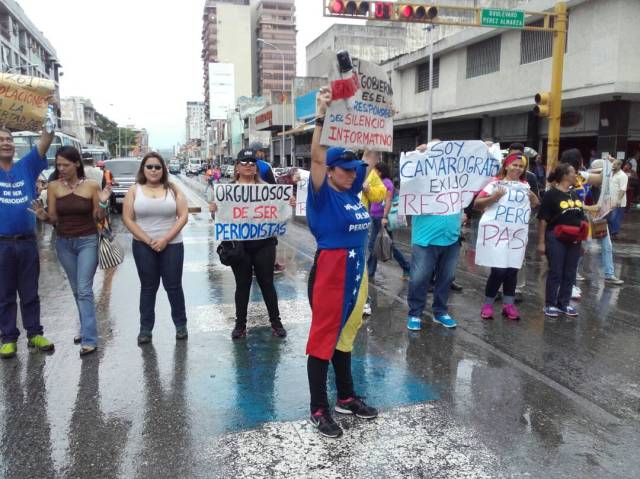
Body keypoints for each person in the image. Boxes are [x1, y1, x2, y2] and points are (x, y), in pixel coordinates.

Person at [304, 87, 378, 438]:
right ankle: (318, 407)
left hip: (356, 270)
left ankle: (345, 397)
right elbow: (317, 159)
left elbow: (371, 156)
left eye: (353, 170)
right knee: (323, 338)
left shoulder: (351, 192)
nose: (352, 174)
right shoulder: (321, 195)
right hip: (332, 271)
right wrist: (321, 117)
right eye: (344, 170)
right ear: (331, 171)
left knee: (346, 335)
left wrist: (378, 118)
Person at [31, 146, 111, 356]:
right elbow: (54, 220)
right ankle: (84, 327)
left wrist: (102, 203)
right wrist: (43, 216)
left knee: (84, 289)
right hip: (64, 243)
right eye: (58, 165)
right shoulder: (54, 187)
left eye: (65, 164)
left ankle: (90, 339)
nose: (61, 168)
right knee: (77, 290)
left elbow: (98, 218)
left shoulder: (92, 186)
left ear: (76, 164)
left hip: (88, 241)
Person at [209, 149, 288, 340]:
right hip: (239, 245)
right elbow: (220, 218)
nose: (248, 166)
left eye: (252, 163)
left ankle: (276, 322)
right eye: (244, 163)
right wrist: (214, 210)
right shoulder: (227, 190)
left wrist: (287, 202)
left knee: (267, 283)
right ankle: (240, 325)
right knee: (242, 285)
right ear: (237, 167)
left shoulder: (267, 189)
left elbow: (279, 214)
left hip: (264, 243)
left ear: (256, 168)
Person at [0, 123, 56, 359]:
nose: (6, 142)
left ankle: (34, 333)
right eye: (1, 139)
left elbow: (46, 139)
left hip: (26, 242)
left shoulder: (27, 165)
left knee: (30, 292)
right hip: (1, 243)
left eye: (9, 139)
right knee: (4, 294)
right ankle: (8, 338)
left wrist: (51, 114)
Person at [122, 152, 189, 344]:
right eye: (149, 166)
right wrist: (149, 240)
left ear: (163, 169)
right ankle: (145, 329)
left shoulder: (173, 189)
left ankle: (181, 325)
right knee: (148, 288)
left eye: (157, 167)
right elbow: (127, 218)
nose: (153, 170)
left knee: (174, 287)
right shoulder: (135, 190)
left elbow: (183, 216)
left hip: (172, 245)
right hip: (143, 245)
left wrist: (166, 239)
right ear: (143, 169)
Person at [474, 152, 539, 320]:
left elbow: (536, 204)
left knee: (512, 270)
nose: (517, 168)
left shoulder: (525, 185)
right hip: (497, 234)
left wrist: (533, 198)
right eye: (514, 165)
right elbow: (477, 204)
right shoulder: (495, 183)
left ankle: (508, 305)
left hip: (516, 235)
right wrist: (494, 197)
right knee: (499, 270)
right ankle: (487, 305)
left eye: (521, 166)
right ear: (506, 165)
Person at [405, 141, 462, 332]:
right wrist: (416, 153)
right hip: (425, 239)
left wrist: (488, 151)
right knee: (419, 278)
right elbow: (408, 176)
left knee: (446, 277)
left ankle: (440, 311)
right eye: (434, 151)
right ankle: (415, 313)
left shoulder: (455, 175)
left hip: (451, 237)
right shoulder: (420, 174)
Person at [537, 163, 587, 317]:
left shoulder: (575, 194)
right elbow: (543, 220)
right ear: (565, 175)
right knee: (556, 271)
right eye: (573, 172)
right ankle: (550, 304)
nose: (575, 175)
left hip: (574, 239)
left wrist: (582, 240)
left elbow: (581, 217)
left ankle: (563, 303)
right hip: (556, 237)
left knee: (570, 272)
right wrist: (541, 242)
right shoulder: (550, 195)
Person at [367, 162, 411, 280]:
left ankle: (370, 270)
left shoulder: (387, 183)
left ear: (380, 172)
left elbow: (388, 201)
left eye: (375, 170)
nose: (373, 172)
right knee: (383, 245)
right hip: (375, 217)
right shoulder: (376, 182)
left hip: (381, 218)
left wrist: (384, 217)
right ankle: (370, 270)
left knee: (376, 245)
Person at [608, 159, 628, 238]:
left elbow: (623, 189)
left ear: (619, 165)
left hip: (618, 201)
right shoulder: (611, 173)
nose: (613, 165)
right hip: (610, 200)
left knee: (615, 218)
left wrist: (619, 200)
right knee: (610, 217)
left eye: (615, 164)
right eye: (613, 164)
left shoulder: (623, 175)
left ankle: (614, 233)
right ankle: (611, 232)